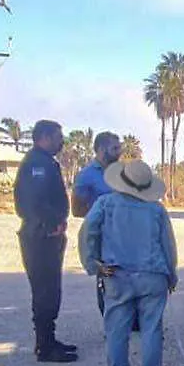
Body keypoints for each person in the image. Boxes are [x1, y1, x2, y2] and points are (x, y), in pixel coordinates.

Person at [82, 160, 178, 366]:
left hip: (116, 274)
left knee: (116, 327)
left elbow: (88, 232)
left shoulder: (105, 204)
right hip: (152, 274)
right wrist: (171, 274)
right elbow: (168, 245)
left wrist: (94, 263)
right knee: (152, 326)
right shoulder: (156, 209)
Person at [13, 119, 76, 363]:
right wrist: (51, 223)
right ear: (45, 137)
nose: (62, 142)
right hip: (40, 236)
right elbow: (33, 203)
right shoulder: (36, 164)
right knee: (44, 291)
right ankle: (45, 347)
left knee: (51, 290)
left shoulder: (45, 162)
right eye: (58, 137)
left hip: (48, 235)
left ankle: (48, 339)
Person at [72, 131, 135, 327]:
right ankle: (112, 321)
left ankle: (133, 319)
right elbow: (77, 210)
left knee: (131, 275)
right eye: (115, 148)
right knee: (108, 278)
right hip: (103, 238)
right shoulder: (86, 176)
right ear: (101, 149)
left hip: (127, 234)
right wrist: (101, 217)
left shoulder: (123, 172)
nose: (120, 151)